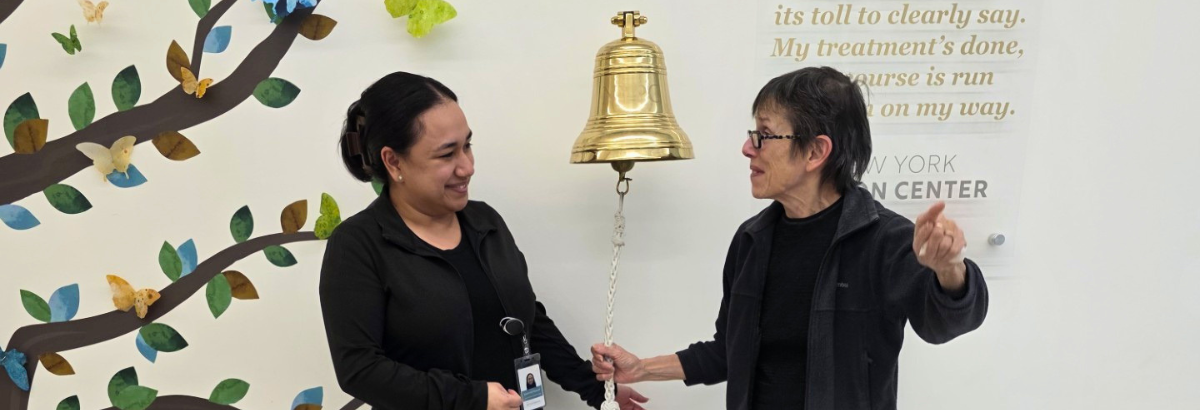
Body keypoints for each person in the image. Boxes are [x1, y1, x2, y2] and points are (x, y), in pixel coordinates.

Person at [591, 66, 989, 410]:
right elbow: (731, 352)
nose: (748, 148)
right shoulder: (752, 240)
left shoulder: (885, 240)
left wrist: (950, 270)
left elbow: (944, 324)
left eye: (764, 135)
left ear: (816, 152)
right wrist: (642, 368)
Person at [319, 72, 649, 410]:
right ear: (393, 161)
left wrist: (596, 390)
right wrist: (472, 399)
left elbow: (528, 324)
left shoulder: (485, 222)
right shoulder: (358, 245)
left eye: (467, 146)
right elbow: (360, 370)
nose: (467, 167)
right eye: (447, 154)